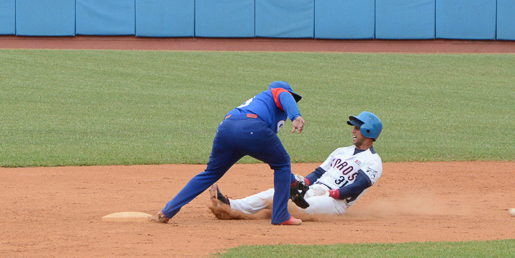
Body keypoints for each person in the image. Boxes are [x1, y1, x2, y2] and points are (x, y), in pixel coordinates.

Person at [154, 82, 306, 225]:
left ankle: (167, 211)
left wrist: (291, 181)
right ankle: (280, 215)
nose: (292, 100)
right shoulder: (275, 94)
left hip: (227, 127)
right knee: (283, 162)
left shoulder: (264, 108)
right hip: (250, 127)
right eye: (292, 97)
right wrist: (296, 116)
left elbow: (270, 153)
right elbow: (283, 95)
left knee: (210, 173)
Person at [209, 112, 383, 221]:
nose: (353, 131)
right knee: (274, 193)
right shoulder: (341, 151)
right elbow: (319, 172)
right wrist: (302, 182)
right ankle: (230, 206)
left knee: (301, 205)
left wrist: (334, 193)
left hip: (334, 202)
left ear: (368, 131)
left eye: (357, 128)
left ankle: (280, 210)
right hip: (315, 189)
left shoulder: (373, 161)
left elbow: (359, 184)